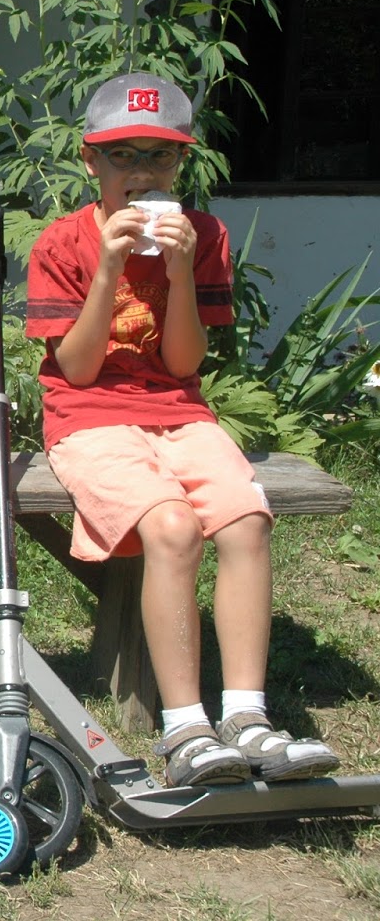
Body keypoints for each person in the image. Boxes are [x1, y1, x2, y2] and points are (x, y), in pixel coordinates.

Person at [25, 71, 340, 788]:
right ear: (91, 161)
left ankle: (249, 718)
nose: (142, 172)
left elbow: (184, 363)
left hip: (178, 410)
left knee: (246, 520)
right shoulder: (63, 242)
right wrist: (109, 267)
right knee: (171, 526)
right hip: (89, 417)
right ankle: (186, 728)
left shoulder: (203, 236)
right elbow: (76, 371)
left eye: (160, 156)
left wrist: (176, 269)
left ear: (179, 164)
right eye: (123, 155)